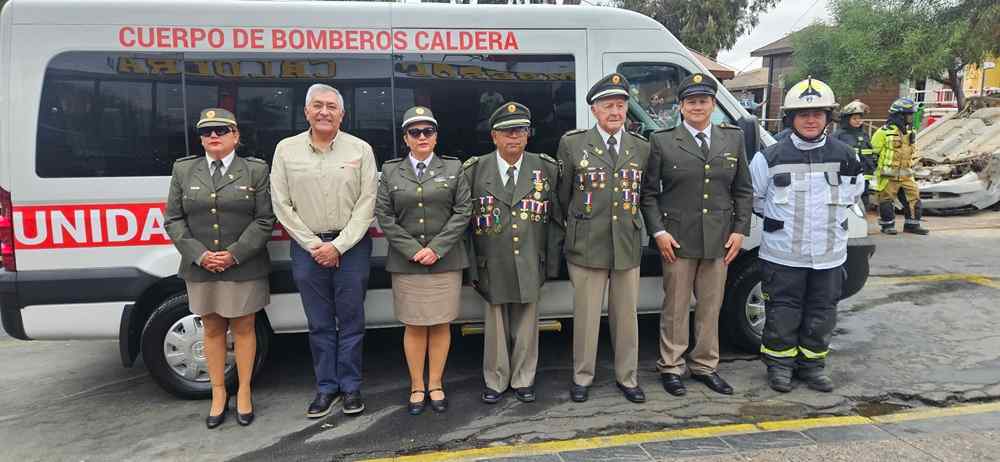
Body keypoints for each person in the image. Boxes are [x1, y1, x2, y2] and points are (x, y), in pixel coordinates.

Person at [639, 73, 753, 397]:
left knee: (710, 306)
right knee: (674, 307)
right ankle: (671, 366)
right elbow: (648, 194)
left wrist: (740, 231)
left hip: (719, 239)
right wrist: (658, 231)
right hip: (676, 238)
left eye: (703, 101)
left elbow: (743, 190)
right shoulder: (661, 141)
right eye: (691, 102)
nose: (698, 107)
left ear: (714, 105)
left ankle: (705, 365)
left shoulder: (732, 139)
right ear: (681, 107)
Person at [749, 78, 864, 393]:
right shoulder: (769, 157)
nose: (810, 120)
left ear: (828, 117)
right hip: (782, 254)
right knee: (782, 313)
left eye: (817, 113)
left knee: (822, 313)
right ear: (791, 119)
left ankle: (812, 367)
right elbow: (756, 200)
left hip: (828, 255)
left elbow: (854, 196)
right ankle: (780, 367)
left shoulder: (847, 156)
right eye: (803, 114)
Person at [271, 84, 377, 418]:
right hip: (308, 249)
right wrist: (315, 245)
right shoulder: (286, 150)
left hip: (352, 248)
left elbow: (367, 203)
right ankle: (326, 388)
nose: (324, 112)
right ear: (306, 112)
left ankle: (350, 387)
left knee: (351, 321)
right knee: (318, 323)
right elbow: (281, 203)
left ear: (342, 114)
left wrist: (339, 245)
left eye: (331, 106)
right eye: (317, 105)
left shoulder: (360, 149)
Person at [164, 108, 275, 428]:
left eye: (221, 131)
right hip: (201, 268)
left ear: (236, 136)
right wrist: (199, 255)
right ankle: (217, 394)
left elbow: (265, 218)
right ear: (200, 137)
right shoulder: (185, 171)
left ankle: (243, 392)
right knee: (211, 329)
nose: (214, 136)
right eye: (207, 131)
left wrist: (234, 254)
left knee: (243, 329)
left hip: (243, 266)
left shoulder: (254, 171)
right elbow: (173, 219)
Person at [556, 73, 650, 404]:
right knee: (586, 317)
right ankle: (583, 376)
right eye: (608, 106)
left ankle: (628, 377)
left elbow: (645, 195)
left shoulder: (641, 146)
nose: (615, 112)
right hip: (587, 243)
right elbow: (562, 197)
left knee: (627, 317)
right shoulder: (573, 144)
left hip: (626, 242)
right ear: (594, 110)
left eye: (621, 105)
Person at [464, 102, 563, 405]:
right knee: (495, 324)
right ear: (494, 136)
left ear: (528, 135)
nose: (514, 137)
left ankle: (523, 379)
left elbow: (556, 219)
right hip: (491, 259)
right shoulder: (475, 169)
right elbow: (465, 223)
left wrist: (551, 261)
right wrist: (472, 266)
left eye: (520, 131)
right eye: (507, 132)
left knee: (527, 324)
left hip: (531, 256)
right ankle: (495, 379)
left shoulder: (545, 168)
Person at [375, 106, 472, 415]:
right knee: (415, 326)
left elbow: (463, 212)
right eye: (414, 132)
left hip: (445, 260)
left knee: (441, 324)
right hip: (407, 263)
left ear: (435, 136)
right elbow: (384, 215)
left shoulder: (454, 169)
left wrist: (437, 248)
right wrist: (412, 249)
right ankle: (417, 385)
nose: (421, 137)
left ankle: (436, 384)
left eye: (427, 131)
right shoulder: (391, 171)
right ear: (406, 138)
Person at [870, 97, 929, 235]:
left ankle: (912, 225)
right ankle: (887, 226)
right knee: (886, 201)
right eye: (909, 115)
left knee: (914, 199)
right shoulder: (883, 132)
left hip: (906, 176)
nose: (911, 118)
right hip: (887, 176)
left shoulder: (909, 133)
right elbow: (873, 154)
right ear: (899, 116)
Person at [833, 100, 876, 209]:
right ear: (847, 119)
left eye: (860, 118)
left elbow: (870, 154)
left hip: (864, 178)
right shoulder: (839, 135)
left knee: (863, 206)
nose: (858, 121)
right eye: (855, 119)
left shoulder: (865, 135)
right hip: (846, 179)